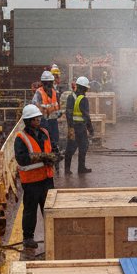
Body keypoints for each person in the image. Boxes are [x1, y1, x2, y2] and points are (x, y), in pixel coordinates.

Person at [15, 103, 56, 252]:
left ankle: (52, 234)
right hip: (31, 182)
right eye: (34, 119)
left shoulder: (44, 132)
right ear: (27, 121)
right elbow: (22, 159)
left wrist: (55, 156)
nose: (38, 121)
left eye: (38, 118)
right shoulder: (21, 138)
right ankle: (28, 238)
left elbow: (53, 148)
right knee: (30, 210)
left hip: (46, 179)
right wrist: (42, 157)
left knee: (49, 210)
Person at [63, 75, 95, 174]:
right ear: (84, 88)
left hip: (73, 127)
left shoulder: (70, 97)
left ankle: (67, 169)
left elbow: (68, 113)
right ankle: (81, 168)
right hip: (80, 128)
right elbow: (86, 116)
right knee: (83, 147)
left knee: (70, 148)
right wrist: (91, 129)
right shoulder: (83, 99)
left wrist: (70, 128)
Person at [32, 70, 61, 163]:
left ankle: (54, 157)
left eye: (50, 83)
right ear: (43, 83)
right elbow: (36, 108)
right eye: (47, 83)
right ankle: (46, 158)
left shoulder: (54, 92)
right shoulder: (39, 93)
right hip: (42, 121)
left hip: (53, 120)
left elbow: (57, 106)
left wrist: (55, 112)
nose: (49, 85)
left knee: (55, 139)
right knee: (45, 140)